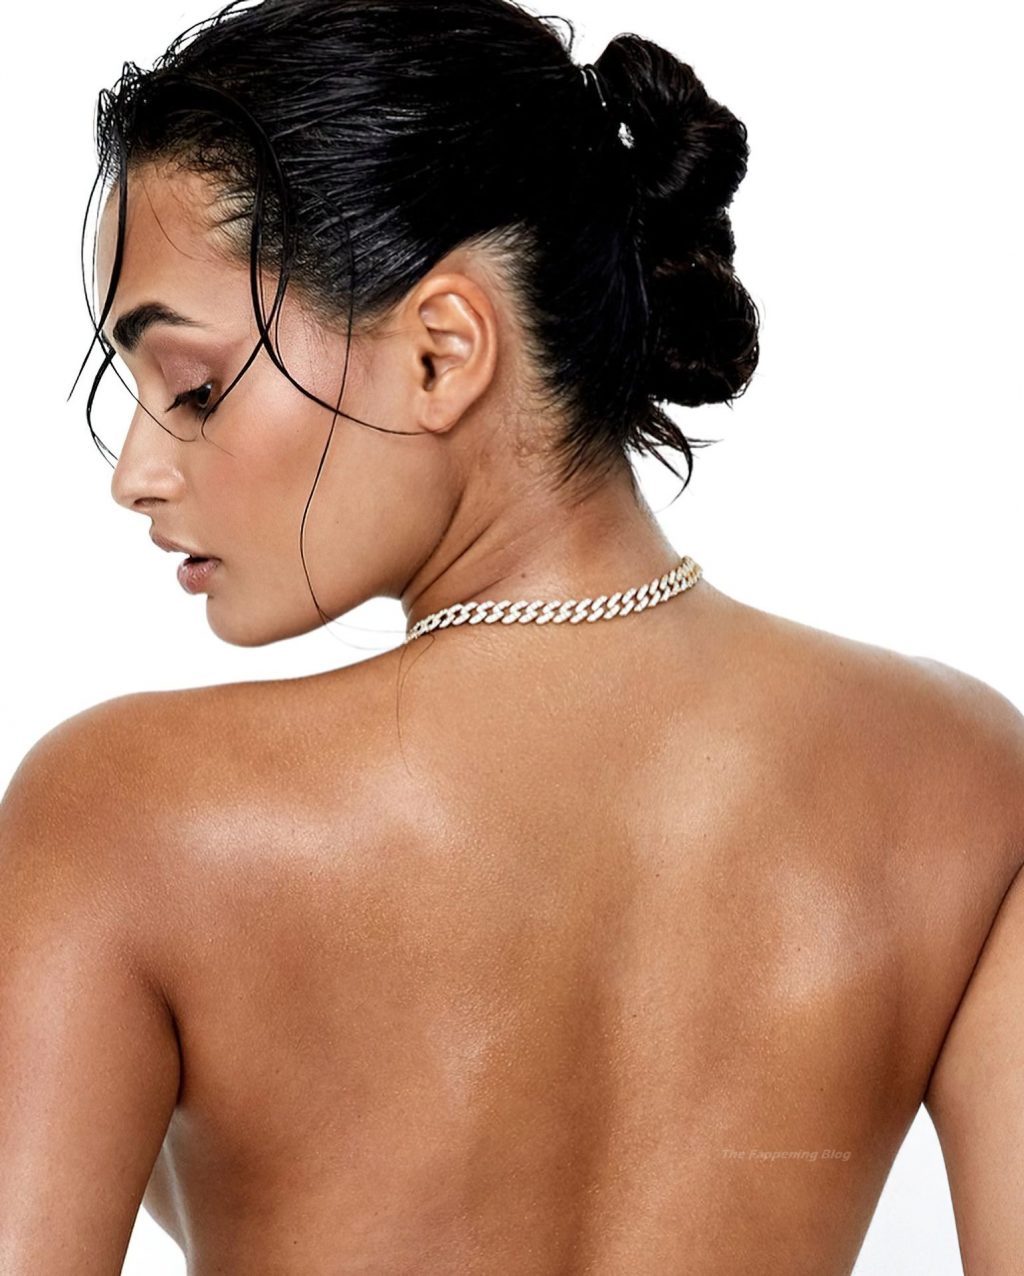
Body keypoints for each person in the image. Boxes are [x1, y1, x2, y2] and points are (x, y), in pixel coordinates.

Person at [1, 1, 1021, 1271]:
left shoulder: (123, 815)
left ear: (443, 352)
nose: (136, 474)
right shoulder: (963, 774)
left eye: (193, 387)